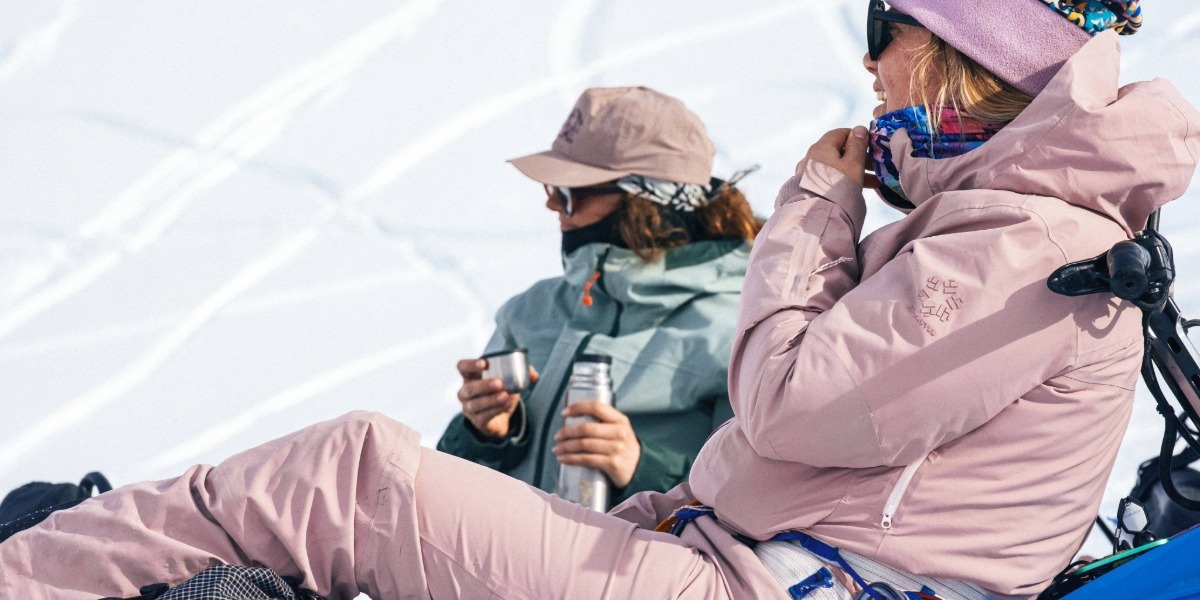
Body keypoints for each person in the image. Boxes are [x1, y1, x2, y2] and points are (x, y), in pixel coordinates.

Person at [3, 1, 1199, 598]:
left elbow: (787, 406)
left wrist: (817, 199)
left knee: (352, 472)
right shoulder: (994, 230)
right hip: (726, 556)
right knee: (346, 491)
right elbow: (814, 462)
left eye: (887, 31)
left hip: (769, 582)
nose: (869, 66)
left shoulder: (1030, 240)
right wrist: (500, 436)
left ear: (948, 49)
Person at [436, 86, 761, 508]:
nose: (553, 204)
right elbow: (454, 489)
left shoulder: (740, 331)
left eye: (571, 192)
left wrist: (641, 469)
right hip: (500, 545)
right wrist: (484, 433)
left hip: (634, 551)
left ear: (645, 202)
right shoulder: (531, 310)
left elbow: (755, 504)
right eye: (551, 187)